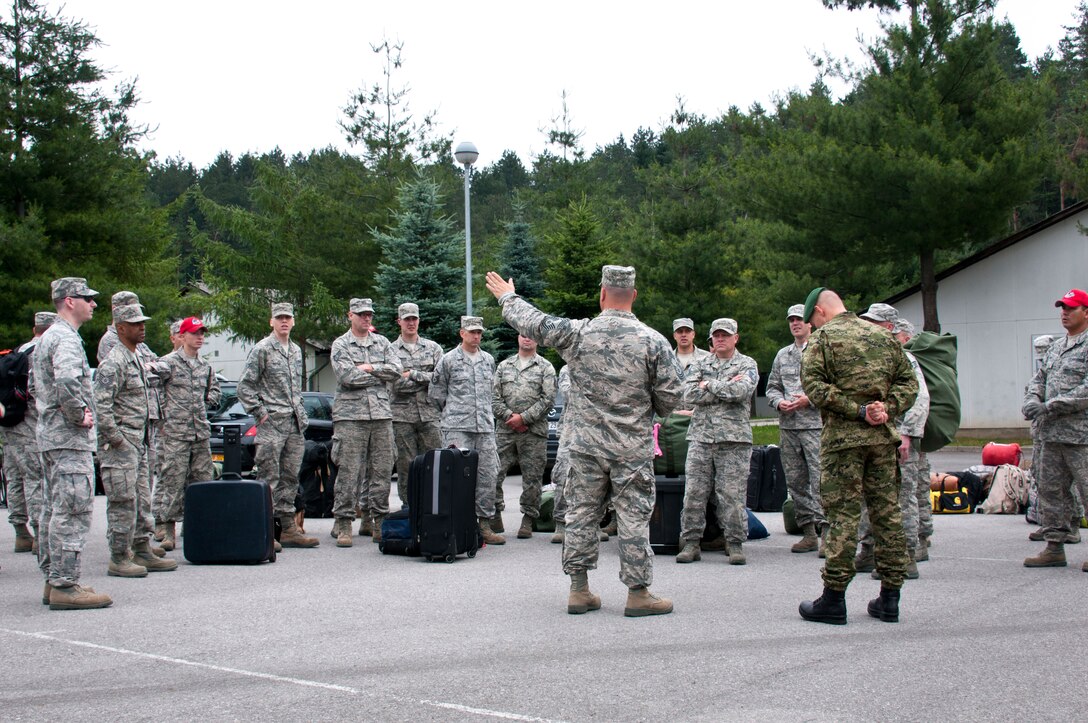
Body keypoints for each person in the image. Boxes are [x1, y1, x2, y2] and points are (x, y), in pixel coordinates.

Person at [486, 266, 683, 617]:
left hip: (584, 447)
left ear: (602, 294)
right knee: (633, 518)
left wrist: (507, 296)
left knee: (580, 514)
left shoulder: (579, 333)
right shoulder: (653, 340)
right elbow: (670, 400)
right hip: (631, 449)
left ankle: (579, 590)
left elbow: (536, 324)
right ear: (633, 296)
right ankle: (638, 594)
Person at [797, 288, 917, 625]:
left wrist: (857, 410)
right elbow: (909, 383)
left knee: (843, 517)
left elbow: (816, 388)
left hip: (843, 444)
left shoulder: (822, 339)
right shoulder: (882, 336)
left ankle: (833, 600)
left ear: (819, 312)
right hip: (881, 440)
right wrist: (885, 410)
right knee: (887, 515)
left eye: (812, 319)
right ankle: (890, 599)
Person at [35, 277, 113, 609]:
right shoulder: (64, 338)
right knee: (73, 509)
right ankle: (66, 585)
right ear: (70, 301)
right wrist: (79, 414)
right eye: (87, 298)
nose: (93, 304)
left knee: (54, 508)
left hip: (52, 436)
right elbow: (67, 380)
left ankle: (54, 580)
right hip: (67, 438)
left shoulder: (49, 337)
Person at [94, 304, 177, 576]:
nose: (142, 327)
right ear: (120, 328)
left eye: (143, 322)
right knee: (122, 500)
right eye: (135, 324)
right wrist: (117, 440)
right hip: (121, 445)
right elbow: (102, 407)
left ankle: (141, 548)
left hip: (139, 442)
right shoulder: (114, 361)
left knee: (141, 497)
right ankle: (119, 557)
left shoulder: (135, 358)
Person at [854, 305, 929, 579]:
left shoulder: (904, 359)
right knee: (867, 498)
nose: (867, 327)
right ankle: (869, 550)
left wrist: (907, 435)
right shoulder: (864, 358)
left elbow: (919, 400)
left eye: (873, 323)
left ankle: (906, 557)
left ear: (888, 328)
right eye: (866, 322)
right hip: (869, 440)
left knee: (901, 499)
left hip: (898, 440)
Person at [675, 318, 758, 566]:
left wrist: (709, 384)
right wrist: (723, 388)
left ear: (736, 338)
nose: (720, 339)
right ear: (711, 339)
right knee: (694, 493)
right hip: (701, 437)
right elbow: (688, 394)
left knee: (731, 495)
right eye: (717, 336)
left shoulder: (747, 363)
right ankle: (691, 542)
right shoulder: (701, 363)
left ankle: (734, 543)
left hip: (734, 440)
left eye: (726, 335)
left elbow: (742, 391)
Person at [236, 302, 319, 548]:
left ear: (293, 321)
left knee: (291, 477)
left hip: (294, 424)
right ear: (271, 321)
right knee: (268, 477)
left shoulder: (295, 350)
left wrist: (300, 410)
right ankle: (264, 529)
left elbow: (295, 389)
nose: (284, 321)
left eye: (288, 317)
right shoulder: (262, 349)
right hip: (272, 423)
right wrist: (260, 413)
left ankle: (287, 528)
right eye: (279, 317)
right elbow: (245, 387)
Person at [1022, 288, 1088, 571]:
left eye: (1071, 308)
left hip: (1081, 436)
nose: (1064, 313)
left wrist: (1051, 405)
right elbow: (1038, 379)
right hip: (1051, 435)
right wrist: (1032, 400)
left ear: (1086, 312)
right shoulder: (1056, 347)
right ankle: (1054, 547)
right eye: (1062, 308)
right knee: (1051, 493)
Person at [329, 298, 402, 547]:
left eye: (369, 314)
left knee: (382, 471)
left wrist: (369, 368)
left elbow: (396, 371)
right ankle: (344, 523)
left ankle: (379, 521)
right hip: (350, 417)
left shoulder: (381, 343)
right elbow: (346, 376)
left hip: (381, 415)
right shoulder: (341, 344)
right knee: (349, 471)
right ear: (350, 315)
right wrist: (378, 375)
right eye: (361, 314)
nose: (366, 318)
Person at [428, 316, 505, 545]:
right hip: (457, 427)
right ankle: (456, 524)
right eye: (472, 332)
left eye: (479, 332)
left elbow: (491, 393)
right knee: (456, 477)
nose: (476, 336)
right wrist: (454, 413)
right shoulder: (449, 360)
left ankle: (483, 524)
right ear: (462, 333)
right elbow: (436, 394)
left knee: (487, 475)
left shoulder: (488, 360)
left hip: (484, 427)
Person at [152, 316, 221, 551]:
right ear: (182, 336)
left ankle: (199, 530)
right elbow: (152, 391)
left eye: (202, 333)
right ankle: (167, 530)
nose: (199, 337)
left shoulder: (205, 366)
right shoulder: (167, 363)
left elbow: (215, 392)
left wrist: (204, 401)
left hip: (200, 433)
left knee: (202, 482)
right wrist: (161, 419)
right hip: (175, 433)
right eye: (194, 333)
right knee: (173, 481)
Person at [766, 303, 826, 555]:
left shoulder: (823, 350)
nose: (795, 323)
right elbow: (771, 386)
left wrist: (808, 400)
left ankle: (830, 533)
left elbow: (833, 386)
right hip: (789, 428)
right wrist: (779, 402)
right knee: (796, 482)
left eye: (800, 319)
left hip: (815, 426)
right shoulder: (783, 355)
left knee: (822, 480)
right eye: (791, 320)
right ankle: (809, 533)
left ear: (810, 322)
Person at [492, 334, 557, 539]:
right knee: (494, 472)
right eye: (523, 335)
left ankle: (528, 519)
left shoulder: (545, 367)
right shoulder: (504, 366)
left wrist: (524, 419)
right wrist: (510, 417)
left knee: (533, 477)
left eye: (531, 335)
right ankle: (494, 513)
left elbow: (548, 400)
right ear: (518, 338)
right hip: (505, 430)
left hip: (533, 432)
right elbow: (494, 398)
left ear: (538, 339)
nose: (527, 339)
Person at [1, 311, 56, 554]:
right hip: (30, 425)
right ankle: (38, 532)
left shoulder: (19, 351)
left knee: (14, 477)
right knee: (35, 479)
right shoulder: (42, 352)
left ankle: (21, 531)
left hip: (9, 423)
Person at [389, 302, 443, 507]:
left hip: (429, 415)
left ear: (419, 320)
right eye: (407, 319)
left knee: (434, 462)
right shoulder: (390, 350)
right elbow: (396, 385)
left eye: (414, 319)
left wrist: (412, 374)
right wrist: (424, 381)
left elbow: (440, 381)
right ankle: (409, 506)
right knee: (406, 465)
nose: (411, 323)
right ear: (399, 321)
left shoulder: (433, 348)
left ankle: (433, 505)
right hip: (402, 417)